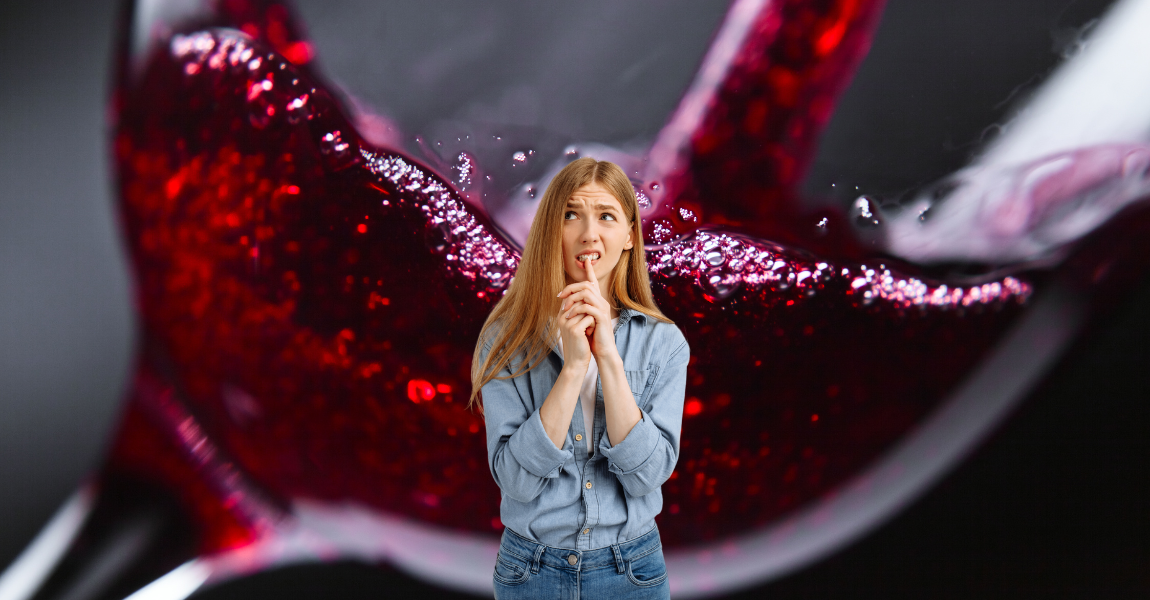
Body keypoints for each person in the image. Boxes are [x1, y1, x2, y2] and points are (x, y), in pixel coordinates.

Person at [469, 157, 689, 598]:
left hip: (632, 570)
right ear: (553, 230)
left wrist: (606, 355)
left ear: (629, 235)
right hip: (532, 570)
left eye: (606, 216)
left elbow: (648, 476)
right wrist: (571, 369)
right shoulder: (505, 338)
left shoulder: (664, 343)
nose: (589, 233)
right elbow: (514, 480)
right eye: (571, 214)